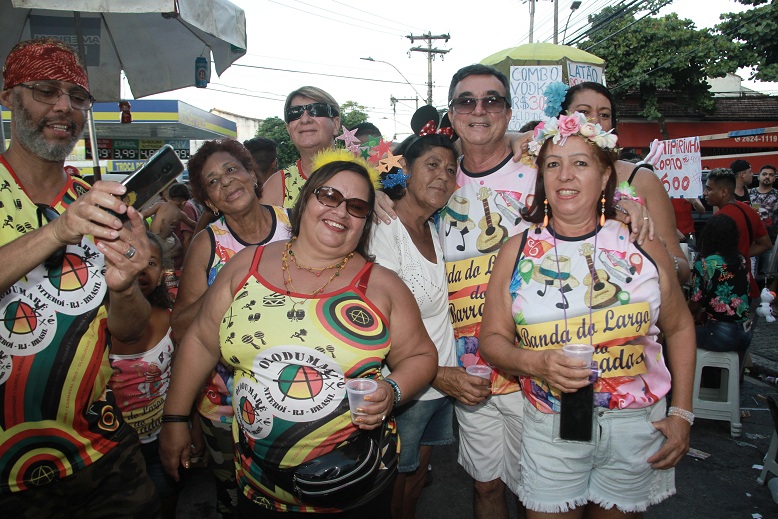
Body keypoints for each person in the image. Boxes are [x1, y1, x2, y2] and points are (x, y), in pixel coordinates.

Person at [161, 154, 438, 517]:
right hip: (258, 487)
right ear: (304, 199)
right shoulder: (247, 265)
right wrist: (175, 419)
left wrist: (393, 390)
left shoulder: (382, 286)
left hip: (354, 490)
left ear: (364, 222)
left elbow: (421, 356)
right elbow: (199, 340)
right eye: (329, 196)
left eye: (356, 206)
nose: (340, 211)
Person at [480, 112, 696, 518]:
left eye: (580, 163)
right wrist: (536, 362)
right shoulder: (516, 249)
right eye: (553, 164)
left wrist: (683, 413)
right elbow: (492, 341)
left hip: (635, 426)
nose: (565, 176)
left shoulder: (642, 243)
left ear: (605, 175)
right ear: (541, 176)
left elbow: (680, 326)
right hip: (551, 425)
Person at [0, 38, 157, 515]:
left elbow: (129, 334)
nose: (64, 106)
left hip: (104, 452)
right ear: (9, 97)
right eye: (46, 90)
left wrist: (125, 283)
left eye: (78, 96)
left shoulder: (100, 202)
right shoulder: (79, 214)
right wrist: (60, 230)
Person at [171, 138, 292, 519]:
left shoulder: (295, 223)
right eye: (212, 182)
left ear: (253, 176)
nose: (225, 182)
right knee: (236, 499)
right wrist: (225, 284)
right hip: (226, 406)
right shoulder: (207, 244)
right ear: (208, 202)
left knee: (293, 491)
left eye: (231, 170)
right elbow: (178, 328)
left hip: (294, 391)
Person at [369, 128, 459, 519]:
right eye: (432, 165)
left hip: (438, 388)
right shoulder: (384, 230)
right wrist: (433, 374)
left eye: (451, 169)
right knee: (391, 485)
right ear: (404, 169)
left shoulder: (433, 227)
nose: (443, 176)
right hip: (406, 385)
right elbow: (381, 320)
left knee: (417, 478)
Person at [551, 81, 690, 282]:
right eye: (583, 112)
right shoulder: (547, 175)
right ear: (562, 120)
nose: (595, 121)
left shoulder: (643, 179)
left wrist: (658, 256)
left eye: (605, 115)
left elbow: (684, 271)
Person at [108, 231, 181, 518]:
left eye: (150, 262)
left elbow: (179, 378)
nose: (138, 268)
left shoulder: (170, 315)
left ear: (162, 273)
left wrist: (187, 427)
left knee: (165, 503)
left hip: (160, 440)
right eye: (128, 257)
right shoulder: (92, 324)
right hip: (113, 448)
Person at [260, 86, 341, 208]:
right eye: (295, 113)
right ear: (288, 129)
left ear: (335, 124)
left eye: (316, 110)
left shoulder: (362, 170)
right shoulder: (276, 186)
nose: (305, 119)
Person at [689, 214, 753, 363]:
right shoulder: (741, 260)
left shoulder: (705, 264)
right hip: (745, 334)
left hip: (720, 334)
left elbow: (695, 303)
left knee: (675, 338)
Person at [703, 168, 771, 300]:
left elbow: (709, 257)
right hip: (746, 282)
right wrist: (743, 253)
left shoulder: (720, 219)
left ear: (724, 192)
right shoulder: (749, 211)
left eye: (709, 189)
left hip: (724, 286)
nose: (705, 193)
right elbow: (766, 244)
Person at [750, 164, 778, 275]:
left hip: (771, 241)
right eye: (764, 174)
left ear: (775, 178)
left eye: (771, 175)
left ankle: (770, 293)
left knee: (770, 274)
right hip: (752, 241)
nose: (767, 177)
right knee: (751, 273)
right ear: (758, 177)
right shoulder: (749, 193)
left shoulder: (777, 195)